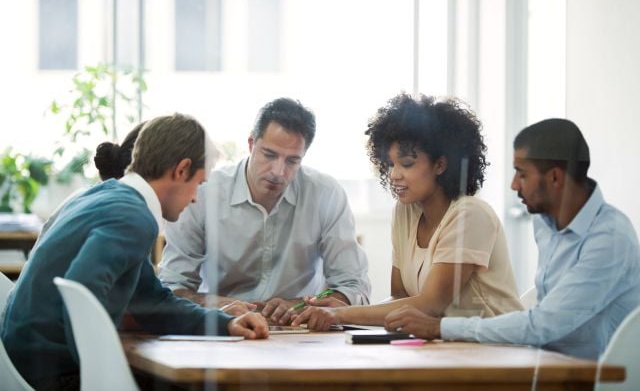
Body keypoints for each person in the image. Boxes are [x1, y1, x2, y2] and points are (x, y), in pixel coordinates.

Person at [1, 113, 269, 390]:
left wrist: (226, 324)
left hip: (24, 363)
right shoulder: (132, 216)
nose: (195, 198)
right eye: (199, 183)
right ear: (181, 169)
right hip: (53, 375)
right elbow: (81, 290)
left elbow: (153, 304)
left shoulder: (103, 196)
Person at [383, 118, 640, 360]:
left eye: (522, 173)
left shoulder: (610, 238)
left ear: (555, 178)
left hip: (595, 375)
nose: (514, 185)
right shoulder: (546, 222)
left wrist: (441, 327)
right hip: (546, 362)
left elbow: (543, 325)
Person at [292, 93, 522, 330]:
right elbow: (400, 299)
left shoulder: (471, 215)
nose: (393, 175)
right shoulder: (405, 212)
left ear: (440, 165)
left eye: (407, 164)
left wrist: (342, 313)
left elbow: (431, 304)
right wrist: (340, 310)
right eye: (390, 164)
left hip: (496, 348)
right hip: (444, 348)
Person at [158, 98, 371, 324]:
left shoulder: (325, 194)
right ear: (251, 143)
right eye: (269, 155)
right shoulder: (203, 193)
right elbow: (173, 287)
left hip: (299, 333)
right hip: (222, 327)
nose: (278, 171)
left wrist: (300, 305)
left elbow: (353, 286)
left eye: (292, 161)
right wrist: (217, 305)